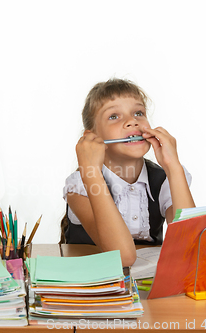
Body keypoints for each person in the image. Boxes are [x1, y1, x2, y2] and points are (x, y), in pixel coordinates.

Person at [61, 78, 195, 266]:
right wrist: (90, 169)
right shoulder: (81, 184)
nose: (132, 121)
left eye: (138, 113)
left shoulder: (164, 179)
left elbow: (192, 245)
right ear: (92, 137)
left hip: (148, 287)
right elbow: (123, 257)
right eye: (114, 116)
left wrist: (173, 166)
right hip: (93, 287)